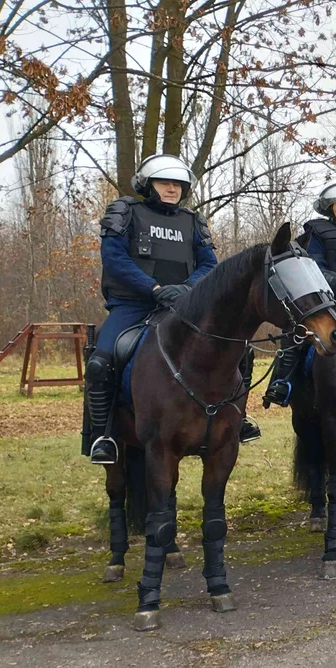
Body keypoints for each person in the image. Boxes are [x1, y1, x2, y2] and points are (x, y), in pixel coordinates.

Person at [84, 154, 259, 465]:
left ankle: (238, 418)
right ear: (148, 185)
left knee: (240, 352)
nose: (172, 189)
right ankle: (104, 435)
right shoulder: (125, 212)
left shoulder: (193, 221)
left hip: (185, 308)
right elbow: (115, 259)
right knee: (102, 359)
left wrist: (188, 290)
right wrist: (153, 288)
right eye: (164, 183)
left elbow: (208, 263)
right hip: (133, 305)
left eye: (178, 185)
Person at [262, 179, 336, 408]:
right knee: (295, 332)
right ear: (330, 209)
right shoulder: (317, 231)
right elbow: (316, 265)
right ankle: (281, 384)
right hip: (326, 297)